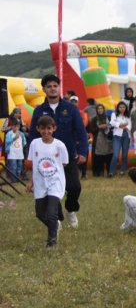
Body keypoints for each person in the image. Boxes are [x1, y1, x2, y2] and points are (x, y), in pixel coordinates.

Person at [29, 75, 89, 229]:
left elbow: (81, 132)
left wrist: (83, 152)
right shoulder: (39, 110)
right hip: (46, 160)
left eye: (55, 85)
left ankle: (71, 210)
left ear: (59, 87)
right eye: (49, 86)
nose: (52, 88)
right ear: (44, 89)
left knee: (74, 187)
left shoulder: (70, 109)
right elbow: (33, 135)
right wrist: (30, 158)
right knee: (51, 190)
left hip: (68, 157)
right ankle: (57, 219)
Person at [26, 116, 68, 248]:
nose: (46, 131)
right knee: (40, 213)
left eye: (49, 128)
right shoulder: (34, 144)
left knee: (51, 213)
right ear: (38, 129)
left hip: (55, 182)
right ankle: (55, 224)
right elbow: (32, 164)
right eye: (43, 128)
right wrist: (31, 181)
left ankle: (51, 243)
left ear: (54, 128)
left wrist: (53, 172)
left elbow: (64, 163)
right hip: (40, 183)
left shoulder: (60, 145)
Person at [87, 104, 112, 177]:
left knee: (109, 155)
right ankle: (98, 173)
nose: (100, 110)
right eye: (98, 109)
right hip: (98, 140)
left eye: (101, 108)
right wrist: (99, 127)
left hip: (108, 140)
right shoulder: (94, 119)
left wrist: (107, 127)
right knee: (98, 157)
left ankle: (109, 172)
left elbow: (113, 127)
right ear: (96, 110)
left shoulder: (109, 118)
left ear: (104, 109)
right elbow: (91, 129)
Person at [109, 101, 132, 177]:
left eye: (123, 107)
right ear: (118, 108)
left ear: (126, 108)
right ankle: (111, 171)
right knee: (115, 154)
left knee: (124, 155)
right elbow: (112, 123)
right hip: (117, 135)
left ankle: (123, 170)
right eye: (120, 107)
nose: (122, 109)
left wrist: (124, 126)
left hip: (126, 135)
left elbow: (130, 125)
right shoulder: (114, 114)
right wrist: (120, 124)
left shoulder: (128, 115)